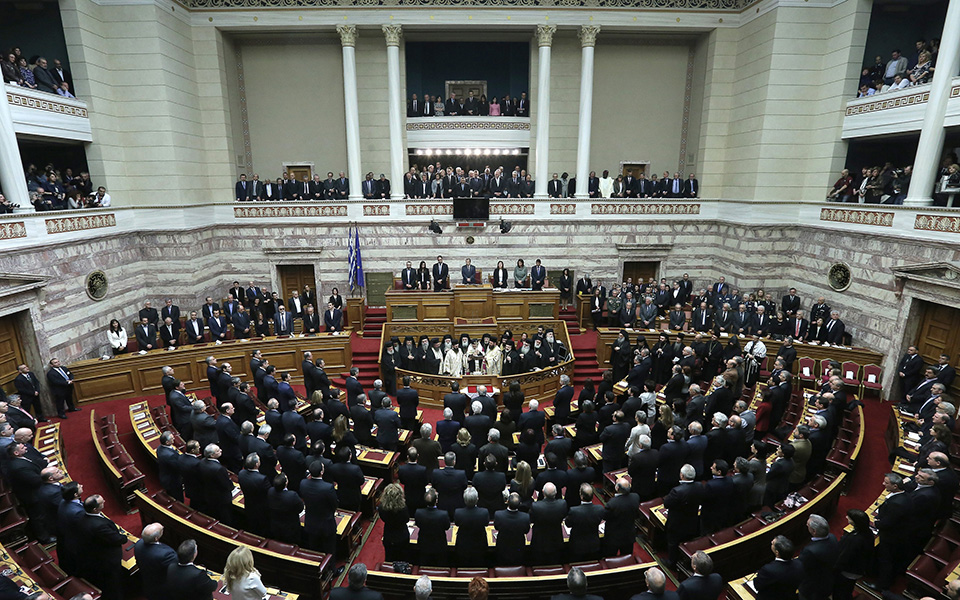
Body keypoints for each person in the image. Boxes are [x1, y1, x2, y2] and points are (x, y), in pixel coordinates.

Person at [78, 495, 127, 600]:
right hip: (107, 559)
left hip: (94, 552)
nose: (105, 501)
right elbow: (117, 539)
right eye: (101, 502)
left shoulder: (84, 516)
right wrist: (124, 537)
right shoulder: (99, 526)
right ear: (95, 509)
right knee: (114, 584)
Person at [134, 523, 178, 600]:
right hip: (162, 588)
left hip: (147, 582)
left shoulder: (138, 544)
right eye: (161, 530)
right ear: (156, 538)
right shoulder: (166, 554)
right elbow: (175, 572)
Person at [415, 488, 451, 566]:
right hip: (439, 545)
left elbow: (418, 524)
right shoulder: (443, 514)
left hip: (424, 544)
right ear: (436, 501)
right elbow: (447, 527)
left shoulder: (418, 513)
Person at [494, 492, 530, 565]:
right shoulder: (525, 517)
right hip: (519, 547)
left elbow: (496, 527)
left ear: (507, 502)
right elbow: (526, 531)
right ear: (520, 504)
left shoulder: (498, 515)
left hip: (502, 547)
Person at [378, 483, 410, 562]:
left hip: (389, 535)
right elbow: (406, 520)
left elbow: (383, 519)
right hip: (402, 535)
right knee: (403, 556)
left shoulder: (382, 508)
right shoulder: (403, 509)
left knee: (389, 556)